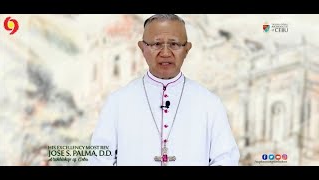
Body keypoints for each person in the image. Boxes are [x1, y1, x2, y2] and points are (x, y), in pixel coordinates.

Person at [87, 14, 240, 166]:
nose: (165, 53)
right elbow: (98, 160)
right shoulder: (118, 102)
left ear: (187, 49)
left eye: (174, 44)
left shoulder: (209, 103)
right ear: (142, 48)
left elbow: (226, 159)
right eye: (156, 44)